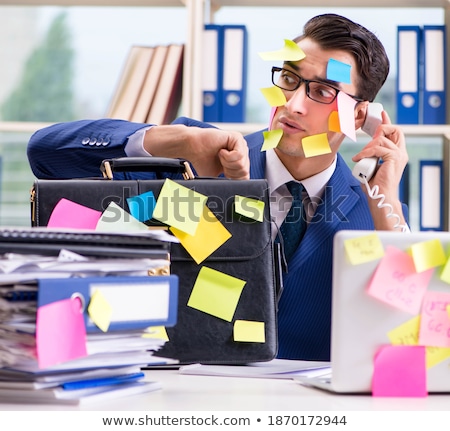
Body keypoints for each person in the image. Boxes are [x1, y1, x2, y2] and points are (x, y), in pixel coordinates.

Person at [27, 13, 409, 361]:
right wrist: (170, 141)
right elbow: (45, 153)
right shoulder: (203, 159)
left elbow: (411, 333)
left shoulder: (372, 208)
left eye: (323, 92)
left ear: (359, 115)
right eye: (290, 80)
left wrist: (386, 203)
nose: (293, 105)